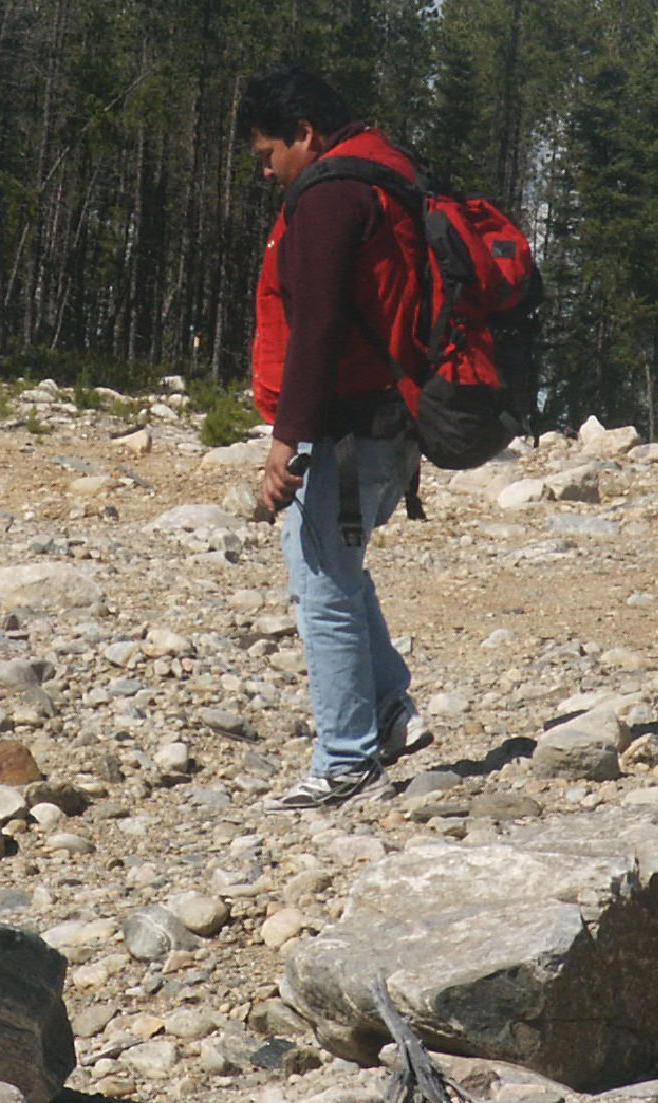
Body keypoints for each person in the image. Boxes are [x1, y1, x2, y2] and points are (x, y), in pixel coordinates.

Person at [237, 65, 433, 811]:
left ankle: (346, 760)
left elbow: (316, 328)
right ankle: (387, 709)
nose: (265, 170)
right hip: (394, 420)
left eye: (268, 153)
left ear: (305, 134)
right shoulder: (389, 171)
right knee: (340, 569)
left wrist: (284, 441)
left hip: (347, 430)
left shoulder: (328, 195)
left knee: (321, 584)